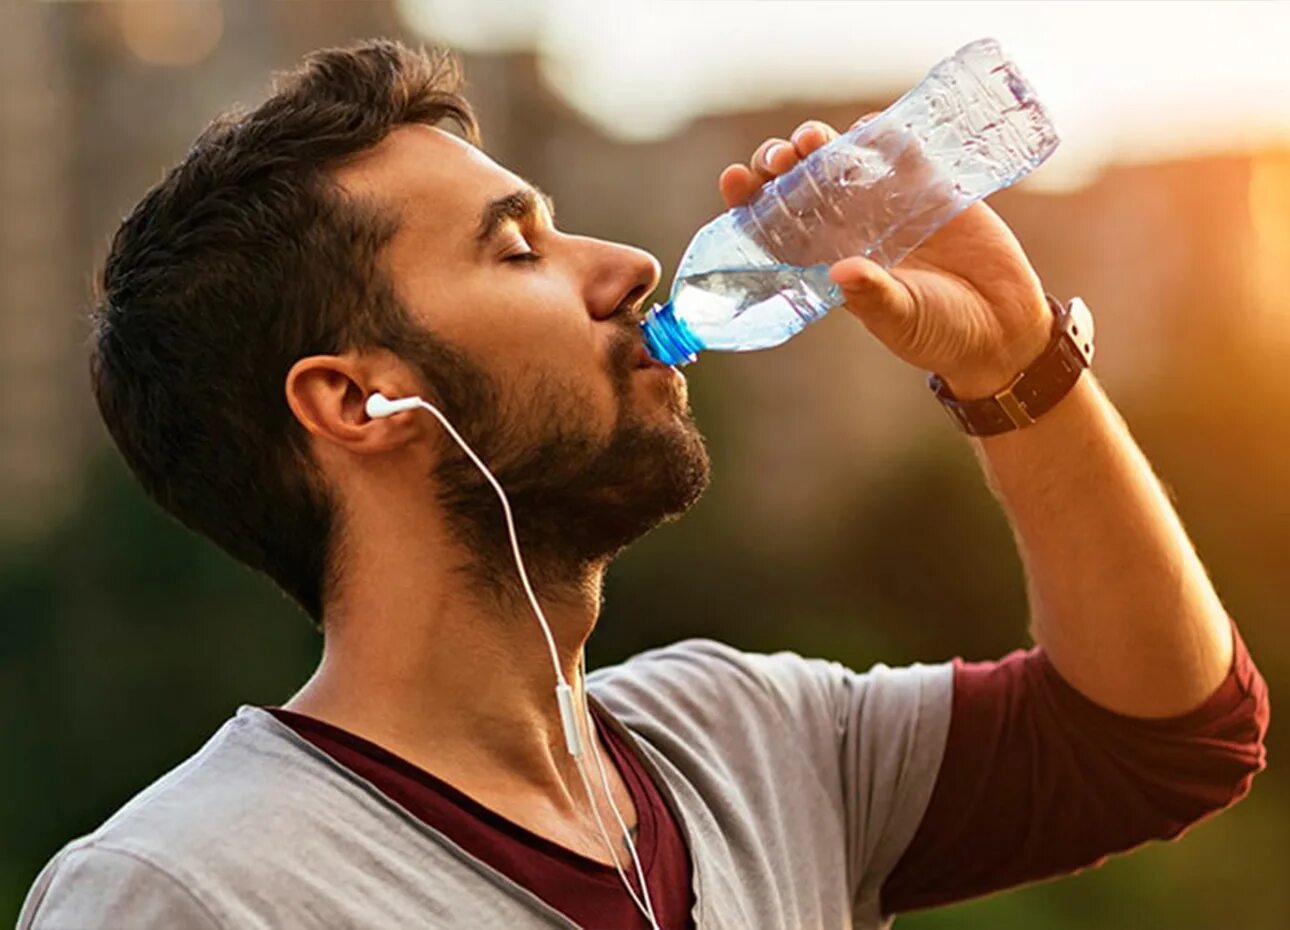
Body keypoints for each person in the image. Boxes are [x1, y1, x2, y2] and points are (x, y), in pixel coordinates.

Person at [18, 40, 1267, 930]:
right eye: (517, 249)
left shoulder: (751, 740)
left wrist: (1017, 369)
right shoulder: (183, 891)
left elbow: (1165, 734)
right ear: (355, 403)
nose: (626, 264)